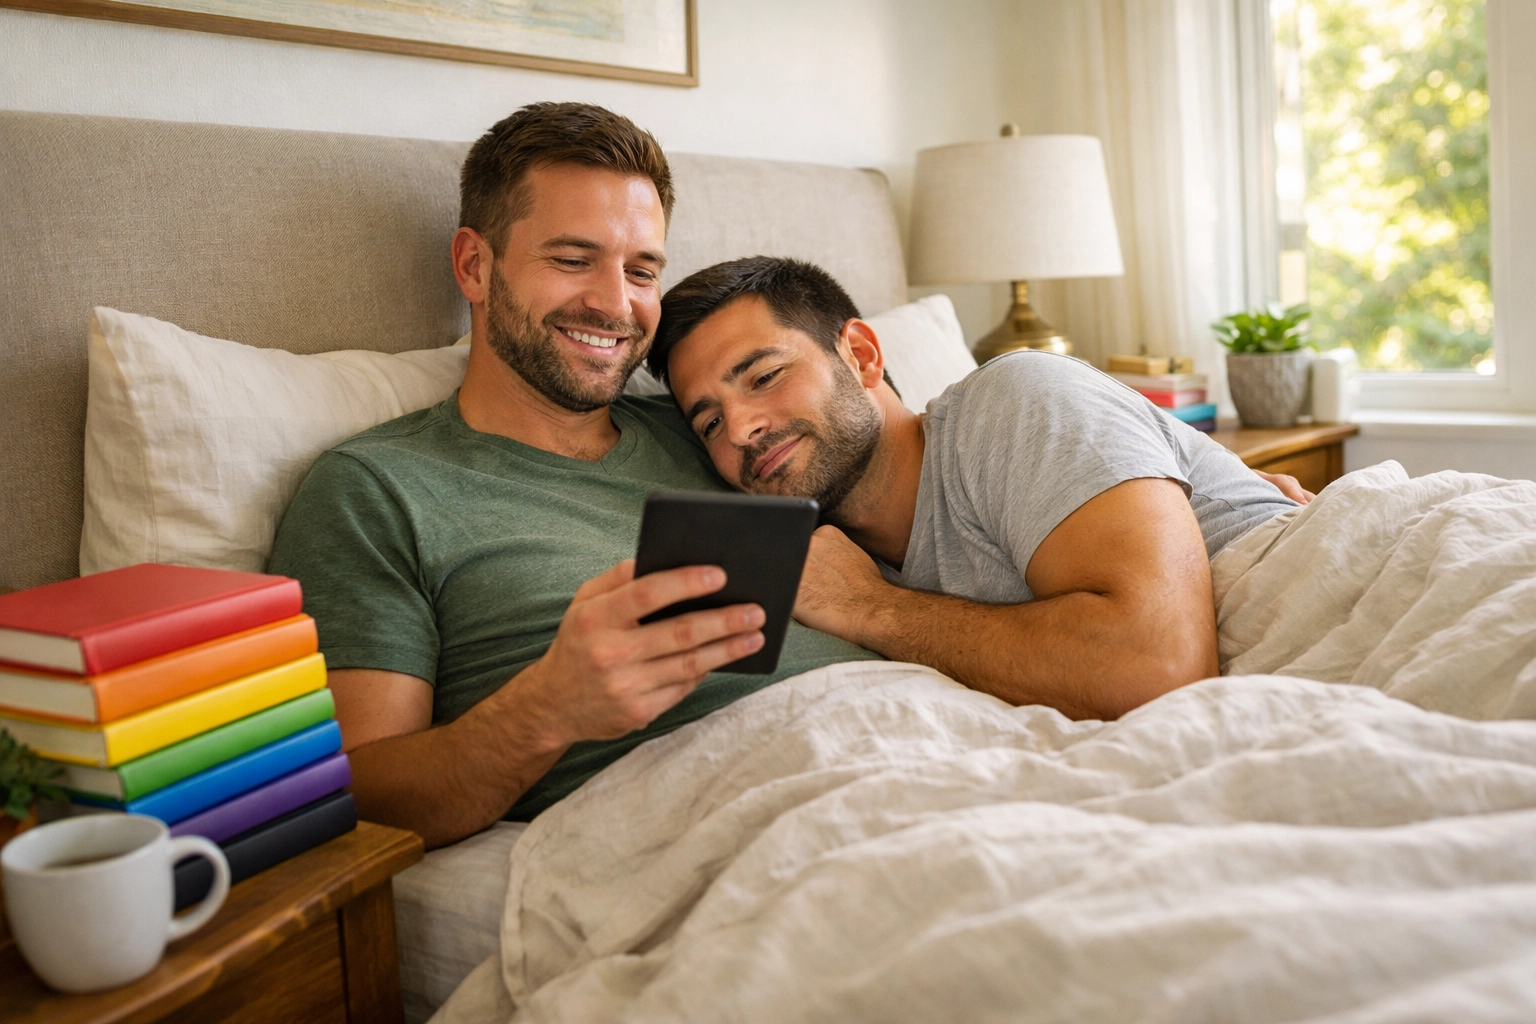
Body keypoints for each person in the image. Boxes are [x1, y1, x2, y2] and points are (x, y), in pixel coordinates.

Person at [267, 106, 878, 849]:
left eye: (642, 270)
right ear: (474, 265)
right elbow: (357, 800)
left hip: (924, 741)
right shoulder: (375, 491)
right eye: (572, 259)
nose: (616, 304)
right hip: (746, 823)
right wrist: (549, 708)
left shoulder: (712, 427)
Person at [648, 256, 1303, 721]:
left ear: (863, 355)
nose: (739, 429)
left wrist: (870, 606)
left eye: (763, 376)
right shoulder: (821, 566)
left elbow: (1160, 669)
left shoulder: (1014, 399)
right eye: (707, 421)